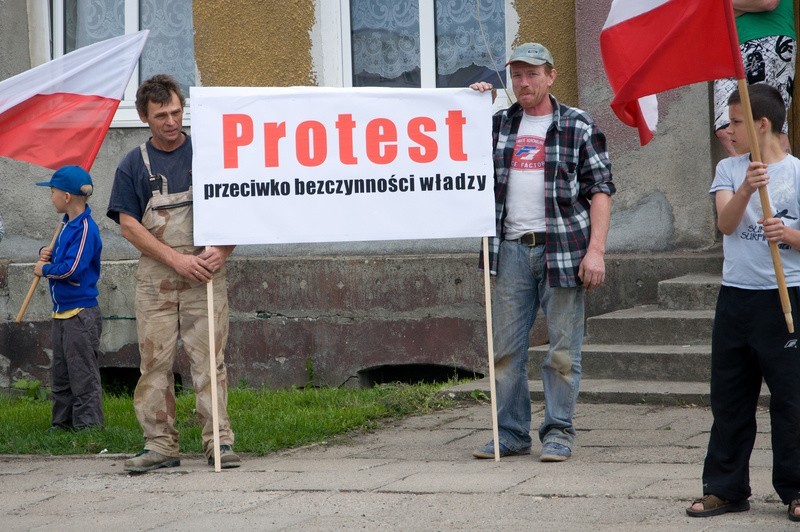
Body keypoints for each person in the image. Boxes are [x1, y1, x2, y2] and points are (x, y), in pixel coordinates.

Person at [469, 43, 614, 462]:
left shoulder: (578, 125)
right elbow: (454, 149)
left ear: (551, 76)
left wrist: (597, 251)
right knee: (504, 352)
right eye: (516, 75)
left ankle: (558, 431)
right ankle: (511, 433)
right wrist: (473, 105)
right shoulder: (495, 125)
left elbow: (601, 190)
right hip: (509, 251)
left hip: (564, 249)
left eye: (532, 74)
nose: (523, 83)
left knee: (563, 351)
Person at [107, 74, 240, 472]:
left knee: (209, 363)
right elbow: (129, 225)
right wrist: (177, 260)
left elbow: (237, 207)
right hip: (157, 281)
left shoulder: (209, 155)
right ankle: (160, 445)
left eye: (177, 112)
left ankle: (220, 442)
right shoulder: (133, 164)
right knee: (154, 365)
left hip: (206, 276)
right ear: (144, 117)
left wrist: (222, 251)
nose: (171, 120)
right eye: (161, 114)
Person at [687, 83, 800, 522]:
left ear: (762, 124)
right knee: (730, 398)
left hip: (786, 295)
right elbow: (726, 223)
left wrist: (788, 235)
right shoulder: (731, 170)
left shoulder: (795, 172)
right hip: (736, 297)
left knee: (792, 399)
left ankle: (794, 487)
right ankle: (726, 487)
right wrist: (748, 191)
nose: (728, 130)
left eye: (735, 122)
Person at [34, 165, 103, 431]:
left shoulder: (85, 228)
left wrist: (45, 269)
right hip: (61, 311)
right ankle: (61, 423)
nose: (50, 197)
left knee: (82, 373)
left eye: (52, 192)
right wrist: (47, 253)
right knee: (61, 373)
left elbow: (73, 268)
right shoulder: (65, 226)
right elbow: (63, 257)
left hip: (80, 314)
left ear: (66, 197)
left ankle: (88, 425)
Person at [713, 0, 795, 156]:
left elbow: (766, 2)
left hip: (769, 37)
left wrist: (721, 5)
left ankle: (779, 180)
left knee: (771, 129)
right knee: (725, 128)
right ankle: (754, 178)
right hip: (728, 44)